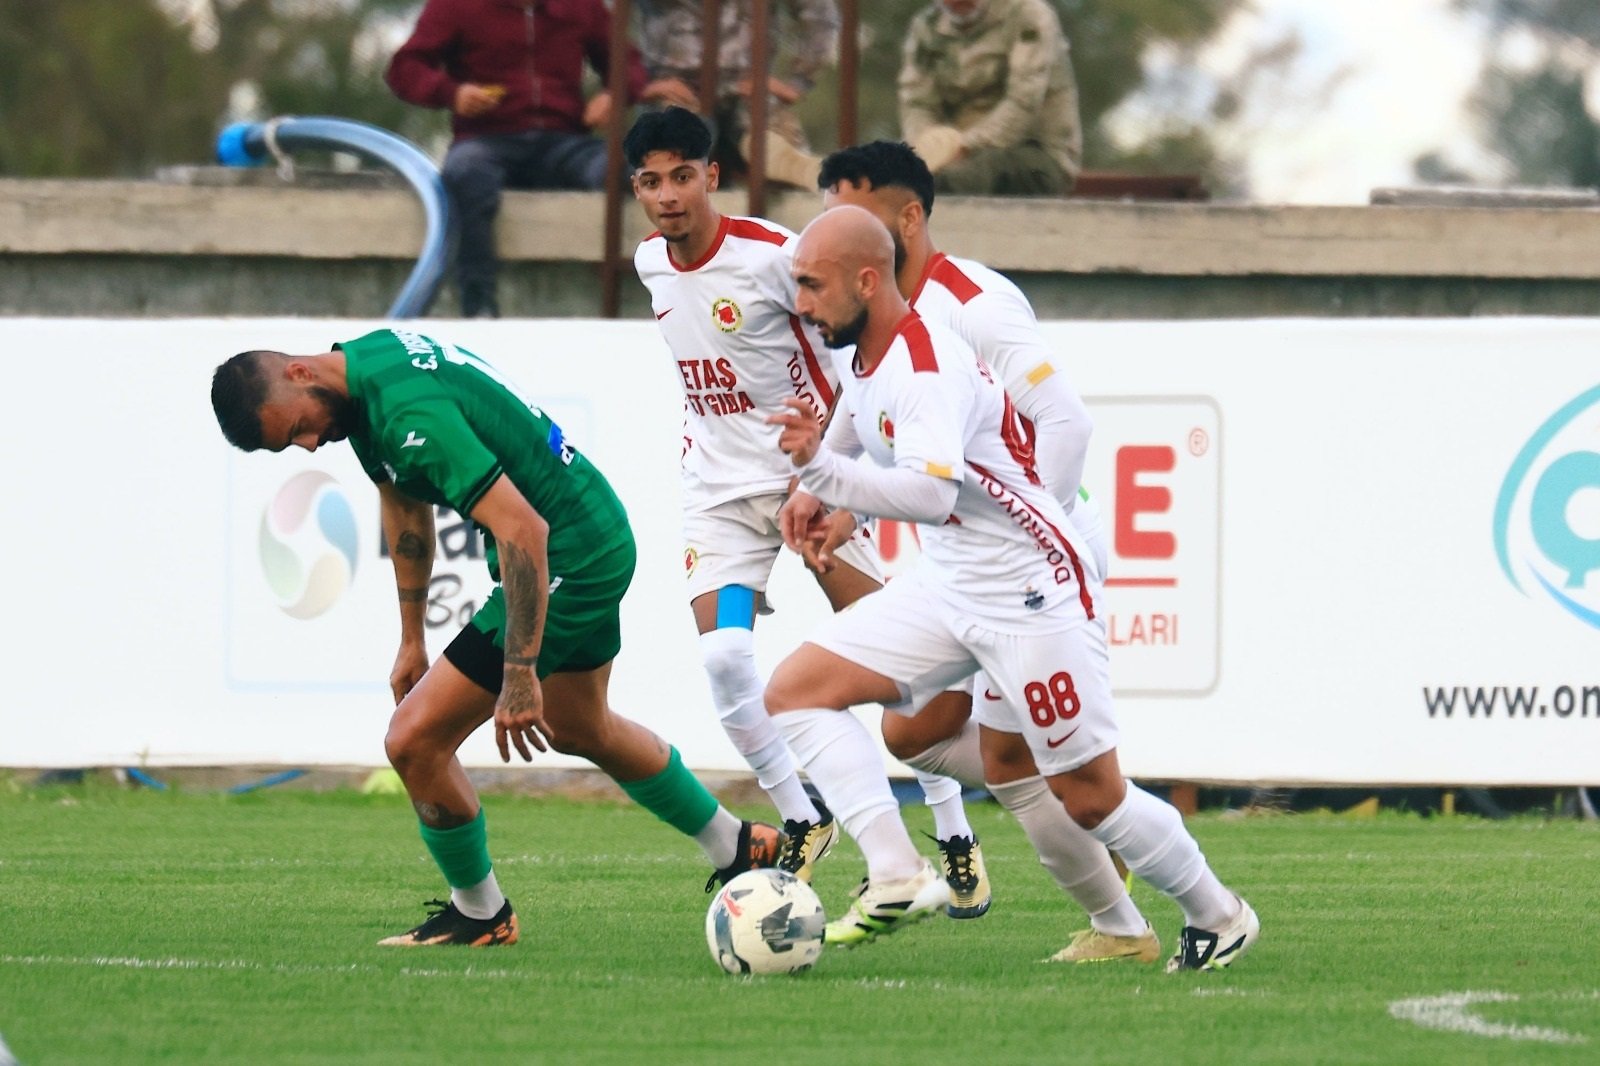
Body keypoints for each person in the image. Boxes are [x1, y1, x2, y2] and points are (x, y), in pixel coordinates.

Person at [765, 205, 1259, 970]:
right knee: (796, 691)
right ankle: (901, 873)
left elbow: (931, 492)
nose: (800, 302)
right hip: (953, 580)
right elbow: (858, 420)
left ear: (867, 279)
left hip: (1031, 588)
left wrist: (823, 478)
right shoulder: (860, 345)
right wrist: (821, 492)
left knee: (1091, 794)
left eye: (811, 284)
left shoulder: (927, 363)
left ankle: (1218, 914)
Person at [210, 328, 782, 947]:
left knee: (413, 740)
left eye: (299, 427)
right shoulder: (360, 376)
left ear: (298, 374)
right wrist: (411, 639)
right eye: (291, 444)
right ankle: (740, 844)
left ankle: (481, 912)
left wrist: (518, 672)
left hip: (564, 555)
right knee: (581, 726)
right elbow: (405, 511)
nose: (311, 442)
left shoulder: (406, 410)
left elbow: (523, 531)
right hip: (590, 533)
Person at [625, 106, 988, 918]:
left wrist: (832, 467)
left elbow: (849, 340)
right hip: (718, 494)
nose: (669, 195)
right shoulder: (651, 264)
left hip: (812, 486)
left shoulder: (772, 257)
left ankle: (954, 832)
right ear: (637, 191)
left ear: (711, 176)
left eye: (683, 176)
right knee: (724, 659)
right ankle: (801, 816)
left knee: (897, 670)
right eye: (651, 181)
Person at [811, 138, 1157, 962]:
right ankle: (1090, 833)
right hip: (966, 561)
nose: (830, 239)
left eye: (850, 218)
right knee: (914, 735)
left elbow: (1067, 421)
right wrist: (820, 491)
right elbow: (857, 421)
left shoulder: (974, 305)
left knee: (1017, 761)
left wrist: (1036, 534)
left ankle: (1114, 844)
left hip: (1027, 562)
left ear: (907, 218)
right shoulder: (871, 316)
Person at [385, 0, 674, 318]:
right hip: (485, 140)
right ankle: (478, 304)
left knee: (629, 170)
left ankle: (667, 288)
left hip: (565, 143)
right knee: (465, 173)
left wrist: (613, 95)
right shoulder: (456, 6)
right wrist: (452, 94)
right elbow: (404, 69)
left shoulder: (580, 7)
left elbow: (627, 64)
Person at [634, 0, 837, 189]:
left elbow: (820, 14)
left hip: (748, 87)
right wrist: (637, 85)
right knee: (672, 148)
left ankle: (784, 163)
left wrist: (797, 82)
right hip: (673, 90)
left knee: (771, 148)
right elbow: (606, 23)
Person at [898, 0, 1082, 196]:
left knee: (959, 179)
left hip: (1034, 154)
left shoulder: (1027, 15)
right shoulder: (927, 26)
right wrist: (926, 149)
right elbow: (917, 103)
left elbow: (1023, 102)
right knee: (888, 176)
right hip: (953, 156)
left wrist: (964, 147)